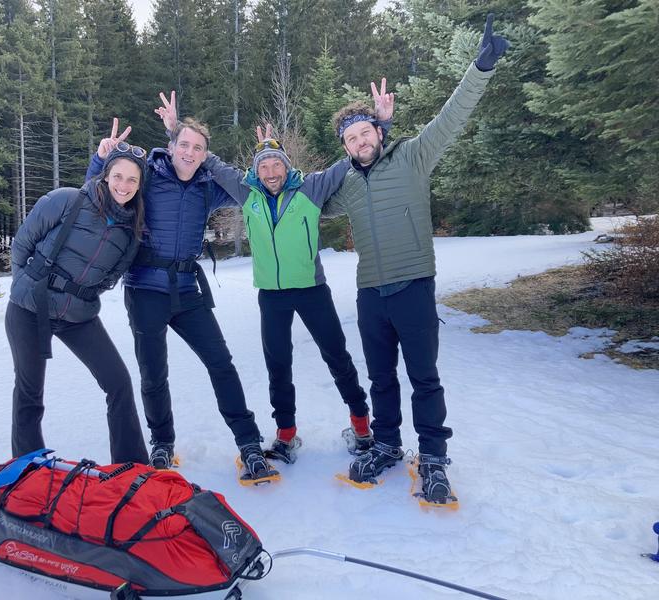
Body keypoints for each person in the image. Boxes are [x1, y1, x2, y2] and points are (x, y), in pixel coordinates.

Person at [325, 14, 509, 503]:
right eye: (351, 138)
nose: (361, 142)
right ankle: (386, 445)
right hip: (371, 293)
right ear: (344, 147)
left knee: (424, 378)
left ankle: (432, 457)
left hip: (413, 287)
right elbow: (305, 202)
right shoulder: (343, 183)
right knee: (381, 377)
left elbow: (453, 116)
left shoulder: (413, 157)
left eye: (365, 133)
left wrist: (480, 68)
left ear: (379, 131)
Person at [153, 90, 391, 464]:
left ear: (286, 165)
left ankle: (362, 426)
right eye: (263, 166)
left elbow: (353, 158)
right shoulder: (247, 192)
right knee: (278, 364)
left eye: (275, 165)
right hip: (272, 296)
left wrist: (382, 126)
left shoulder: (310, 188)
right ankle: (286, 435)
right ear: (256, 170)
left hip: (312, 290)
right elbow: (209, 162)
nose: (270, 172)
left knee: (337, 357)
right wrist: (173, 132)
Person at [85, 117, 278, 484]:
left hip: (188, 290)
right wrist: (101, 159)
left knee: (221, 364)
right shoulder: (148, 176)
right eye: (184, 145)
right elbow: (101, 193)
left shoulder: (208, 185)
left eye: (198, 148)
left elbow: (249, 191)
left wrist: (263, 157)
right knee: (153, 373)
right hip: (145, 289)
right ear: (170, 146)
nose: (190, 153)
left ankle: (250, 445)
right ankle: (161, 443)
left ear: (206, 155)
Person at [7, 132, 149, 465]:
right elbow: (21, 245)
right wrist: (25, 288)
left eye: (132, 180)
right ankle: (28, 468)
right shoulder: (67, 200)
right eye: (118, 176)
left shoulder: (131, 231)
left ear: (140, 185)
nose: (123, 185)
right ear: (106, 174)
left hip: (79, 316)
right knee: (30, 393)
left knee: (118, 383)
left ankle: (131, 467)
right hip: (30, 307)